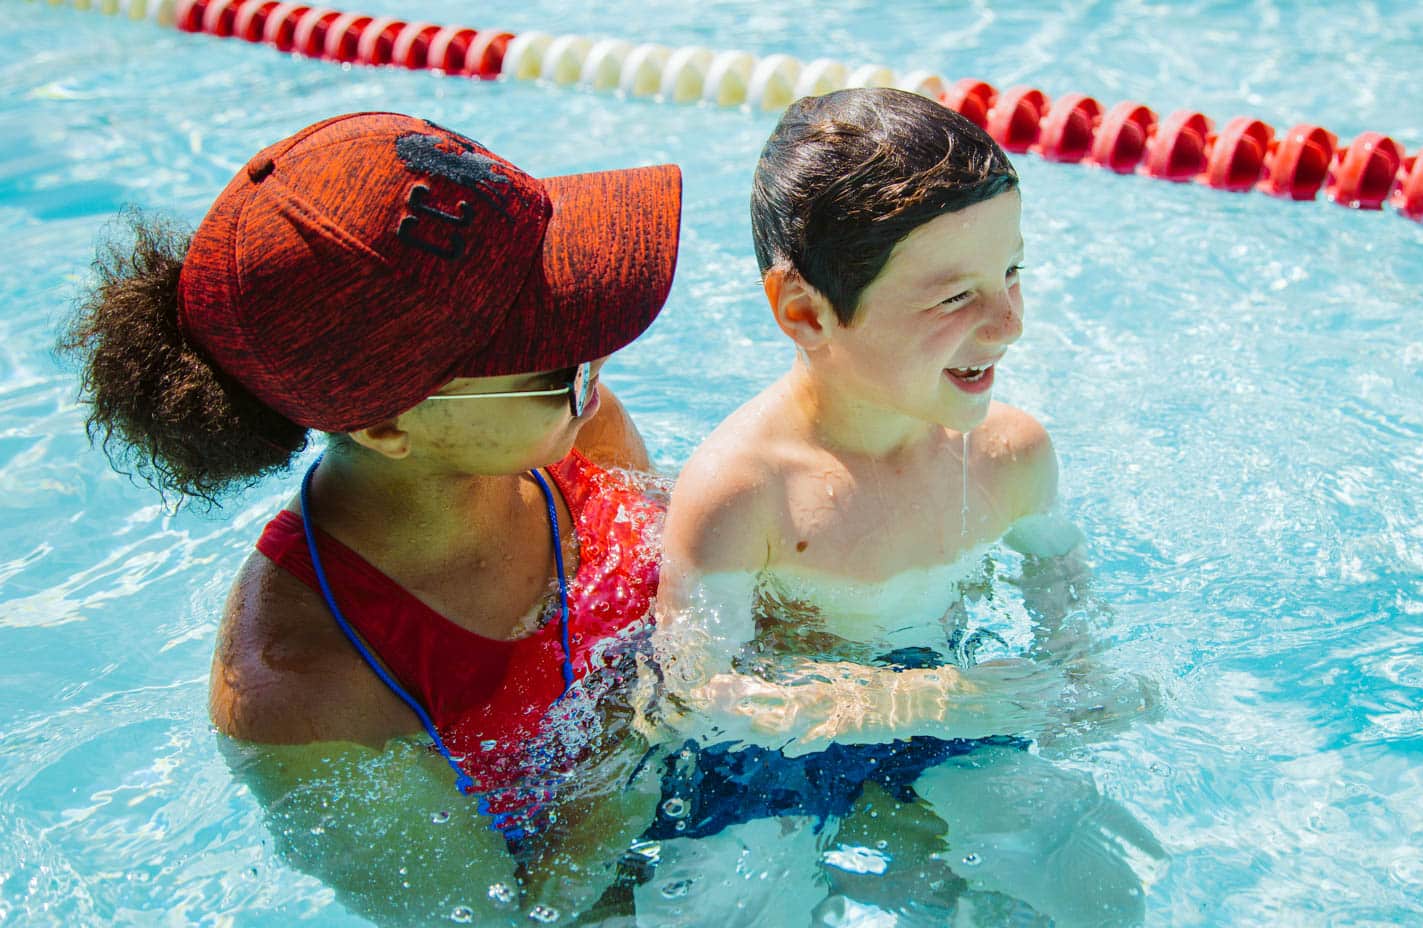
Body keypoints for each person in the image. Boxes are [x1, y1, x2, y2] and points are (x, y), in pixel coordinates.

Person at [60, 111, 681, 925]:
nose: (597, 356)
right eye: (559, 349)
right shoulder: (309, 694)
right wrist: (633, 739)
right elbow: (504, 917)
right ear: (389, 426)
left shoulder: (567, 431)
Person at [640, 89, 1160, 925]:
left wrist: (1082, 668)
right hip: (771, 762)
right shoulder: (745, 492)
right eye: (956, 297)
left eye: (1013, 273)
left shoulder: (1007, 456)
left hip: (951, 720)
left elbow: (1056, 566)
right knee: (722, 906)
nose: (1009, 322)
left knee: (1096, 881)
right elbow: (691, 698)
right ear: (806, 312)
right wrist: (928, 701)